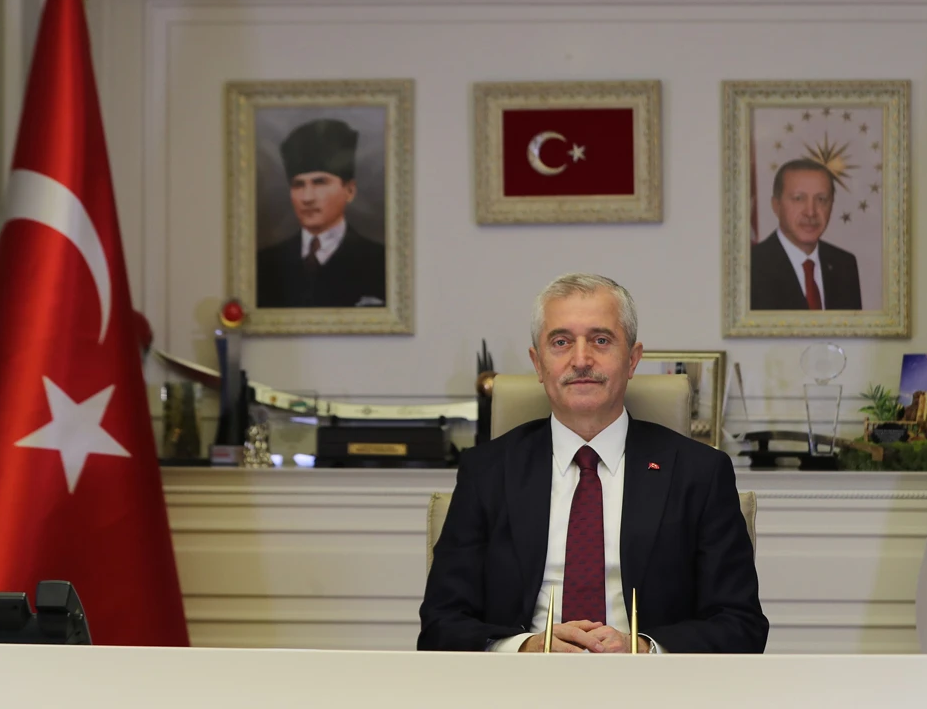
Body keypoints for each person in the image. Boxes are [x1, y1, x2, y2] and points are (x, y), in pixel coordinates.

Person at [418, 273, 768, 653]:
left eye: (601, 340)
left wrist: (642, 648)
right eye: (561, 342)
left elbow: (741, 624)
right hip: (523, 679)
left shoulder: (699, 473)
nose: (581, 360)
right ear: (538, 364)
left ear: (632, 359)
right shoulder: (486, 472)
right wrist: (525, 647)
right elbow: (441, 624)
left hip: (648, 681)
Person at [256, 118, 386, 309]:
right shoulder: (264, 264)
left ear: (349, 190)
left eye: (320, 182)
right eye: (298, 185)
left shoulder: (381, 262)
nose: (307, 197)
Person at [750, 158, 862, 311]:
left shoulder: (844, 265)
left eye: (821, 199)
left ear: (831, 205)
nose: (811, 212)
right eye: (798, 199)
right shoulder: (750, 267)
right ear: (776, 205)